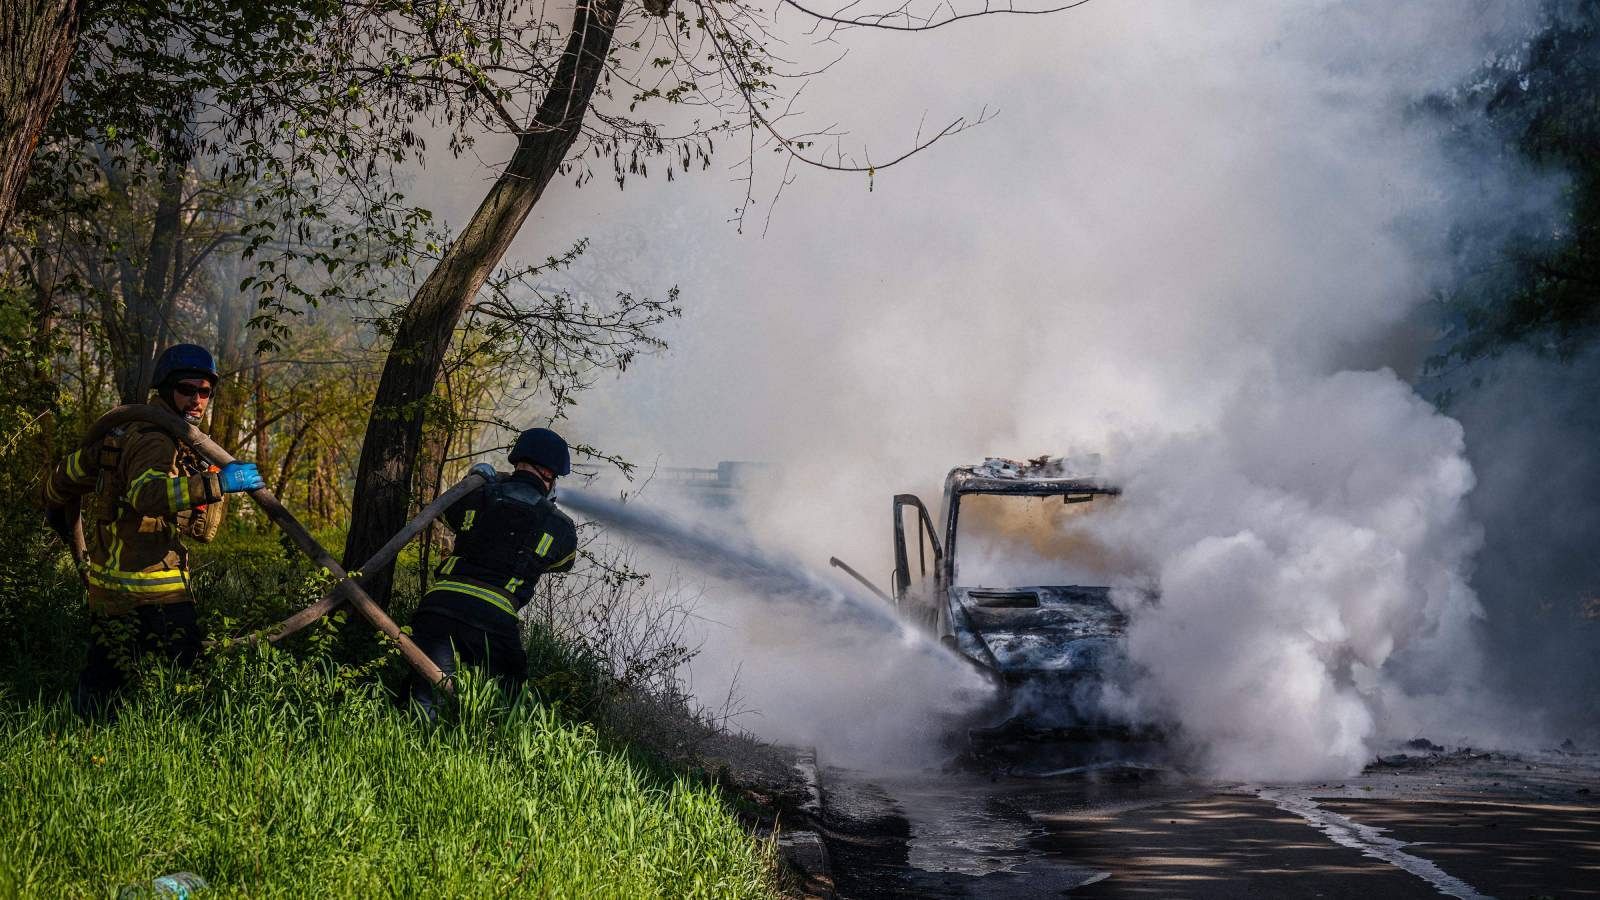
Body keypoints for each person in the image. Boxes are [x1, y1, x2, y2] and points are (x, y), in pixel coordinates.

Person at [41, 343, 264, 716]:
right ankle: (179, 744)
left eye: (205, 391)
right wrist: (218, 485)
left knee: (103, 678)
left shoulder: (123, 434)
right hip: (157, 590)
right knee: (185, 679)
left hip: (108, 588)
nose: (197, 399)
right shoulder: (156, 439)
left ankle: (83, 736)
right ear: (165, 388)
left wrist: (58, 517)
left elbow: (61, 480)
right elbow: (148, 494)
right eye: (187, 390)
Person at [409, 427, 579, 716]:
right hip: (493, 621)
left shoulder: (475, 494)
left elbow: (448, 515)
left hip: (438, 608)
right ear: (549, 476)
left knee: (424, 700)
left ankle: (412, 743)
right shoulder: (560, 526)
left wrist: (474, 481)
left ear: (517, 461)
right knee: (511, 707)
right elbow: (562, 563)